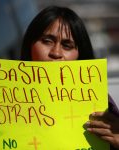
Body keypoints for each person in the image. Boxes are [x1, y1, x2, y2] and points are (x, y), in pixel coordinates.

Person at [21, 5, 119, 149]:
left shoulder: (101, 108)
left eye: (67, 45)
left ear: (80, 55)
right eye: (47, 41)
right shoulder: (3, 101)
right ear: (29, 45)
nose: (56, 52)